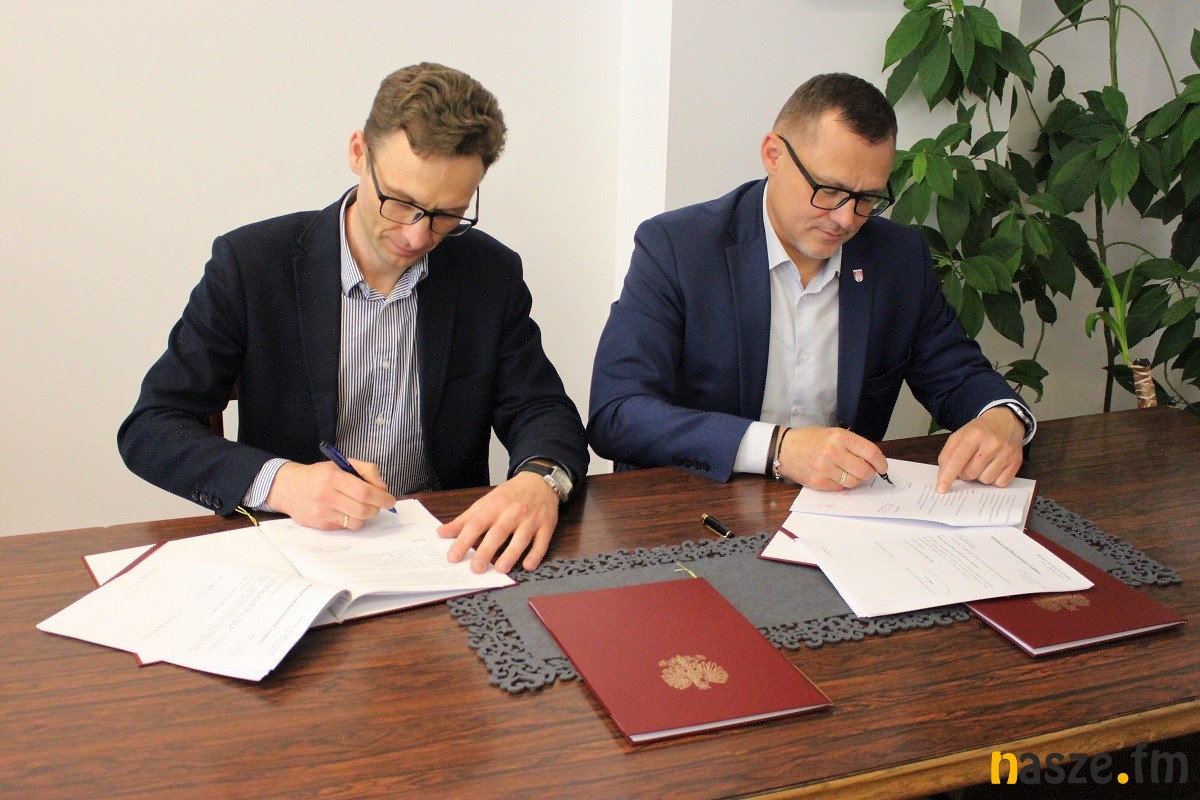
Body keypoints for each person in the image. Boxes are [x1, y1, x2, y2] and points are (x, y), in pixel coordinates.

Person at [119, 63, 588, 574]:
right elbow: (152, 427)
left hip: (445, 552)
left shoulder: (489, 273)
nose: (417, 236)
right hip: (296, 551)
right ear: (358, 153)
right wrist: (283, 482)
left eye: (447, 214)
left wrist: (541, 480)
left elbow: (541, 407)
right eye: (401, 203)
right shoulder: (252, 265)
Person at [588, 73, 1033, 494]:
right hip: (697, 506)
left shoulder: (898, 258)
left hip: (841, 510)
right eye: (829, 190)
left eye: (866, 199)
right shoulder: (678, 247)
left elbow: (958, 373)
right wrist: (777, 448)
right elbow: (618, 412)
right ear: (773, 155)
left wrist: (1002, 418)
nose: (845, 219)